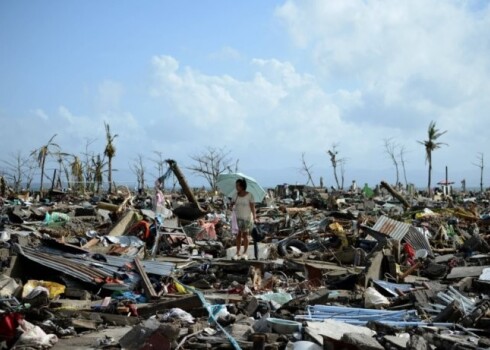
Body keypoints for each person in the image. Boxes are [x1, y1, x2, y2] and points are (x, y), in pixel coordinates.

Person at [232, 178, 257, 260]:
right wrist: (231, 205)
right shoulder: (235, 195)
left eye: (238, 185)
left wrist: (255, 217)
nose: (236, 187)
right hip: (238, 218)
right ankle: (238, 252)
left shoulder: (249, 195)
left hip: (247, 218)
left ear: (242, 186)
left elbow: (253, 207)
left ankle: (245, 252)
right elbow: (232, 205)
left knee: (245, 234)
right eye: (236, 185)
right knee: (238, 234)